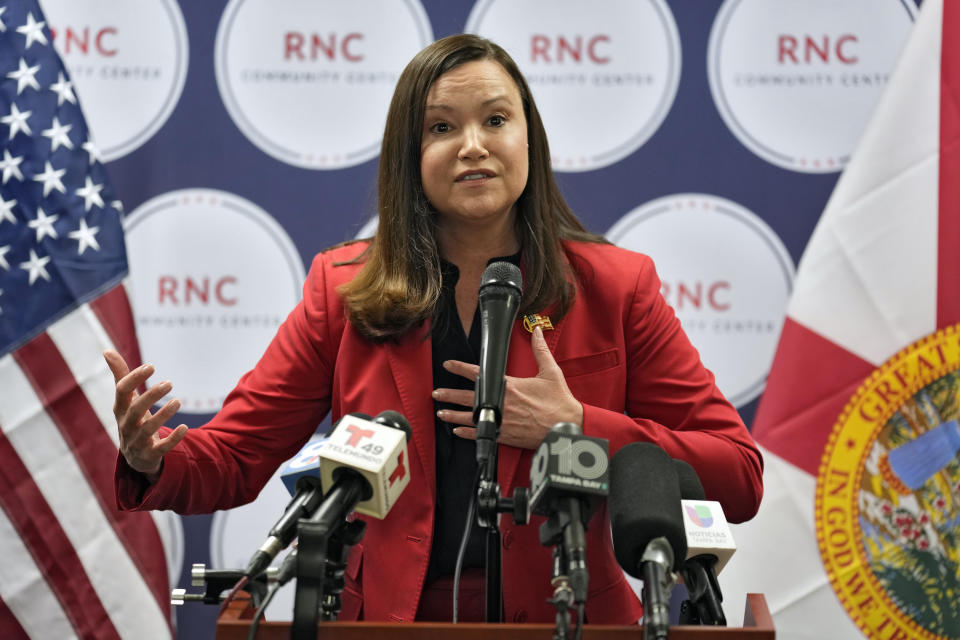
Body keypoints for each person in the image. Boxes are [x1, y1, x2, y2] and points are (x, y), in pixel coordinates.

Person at [107, 34, 763, 625]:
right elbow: (233, 458)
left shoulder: (617, 287)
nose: (474, 145)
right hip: (393, 621)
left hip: (568, 618)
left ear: (527, 138)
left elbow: (736, 473)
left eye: (496, 120)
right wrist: (153, 459)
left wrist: (578, 424)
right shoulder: (343, 292)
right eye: (442, 126)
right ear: (410, 155)